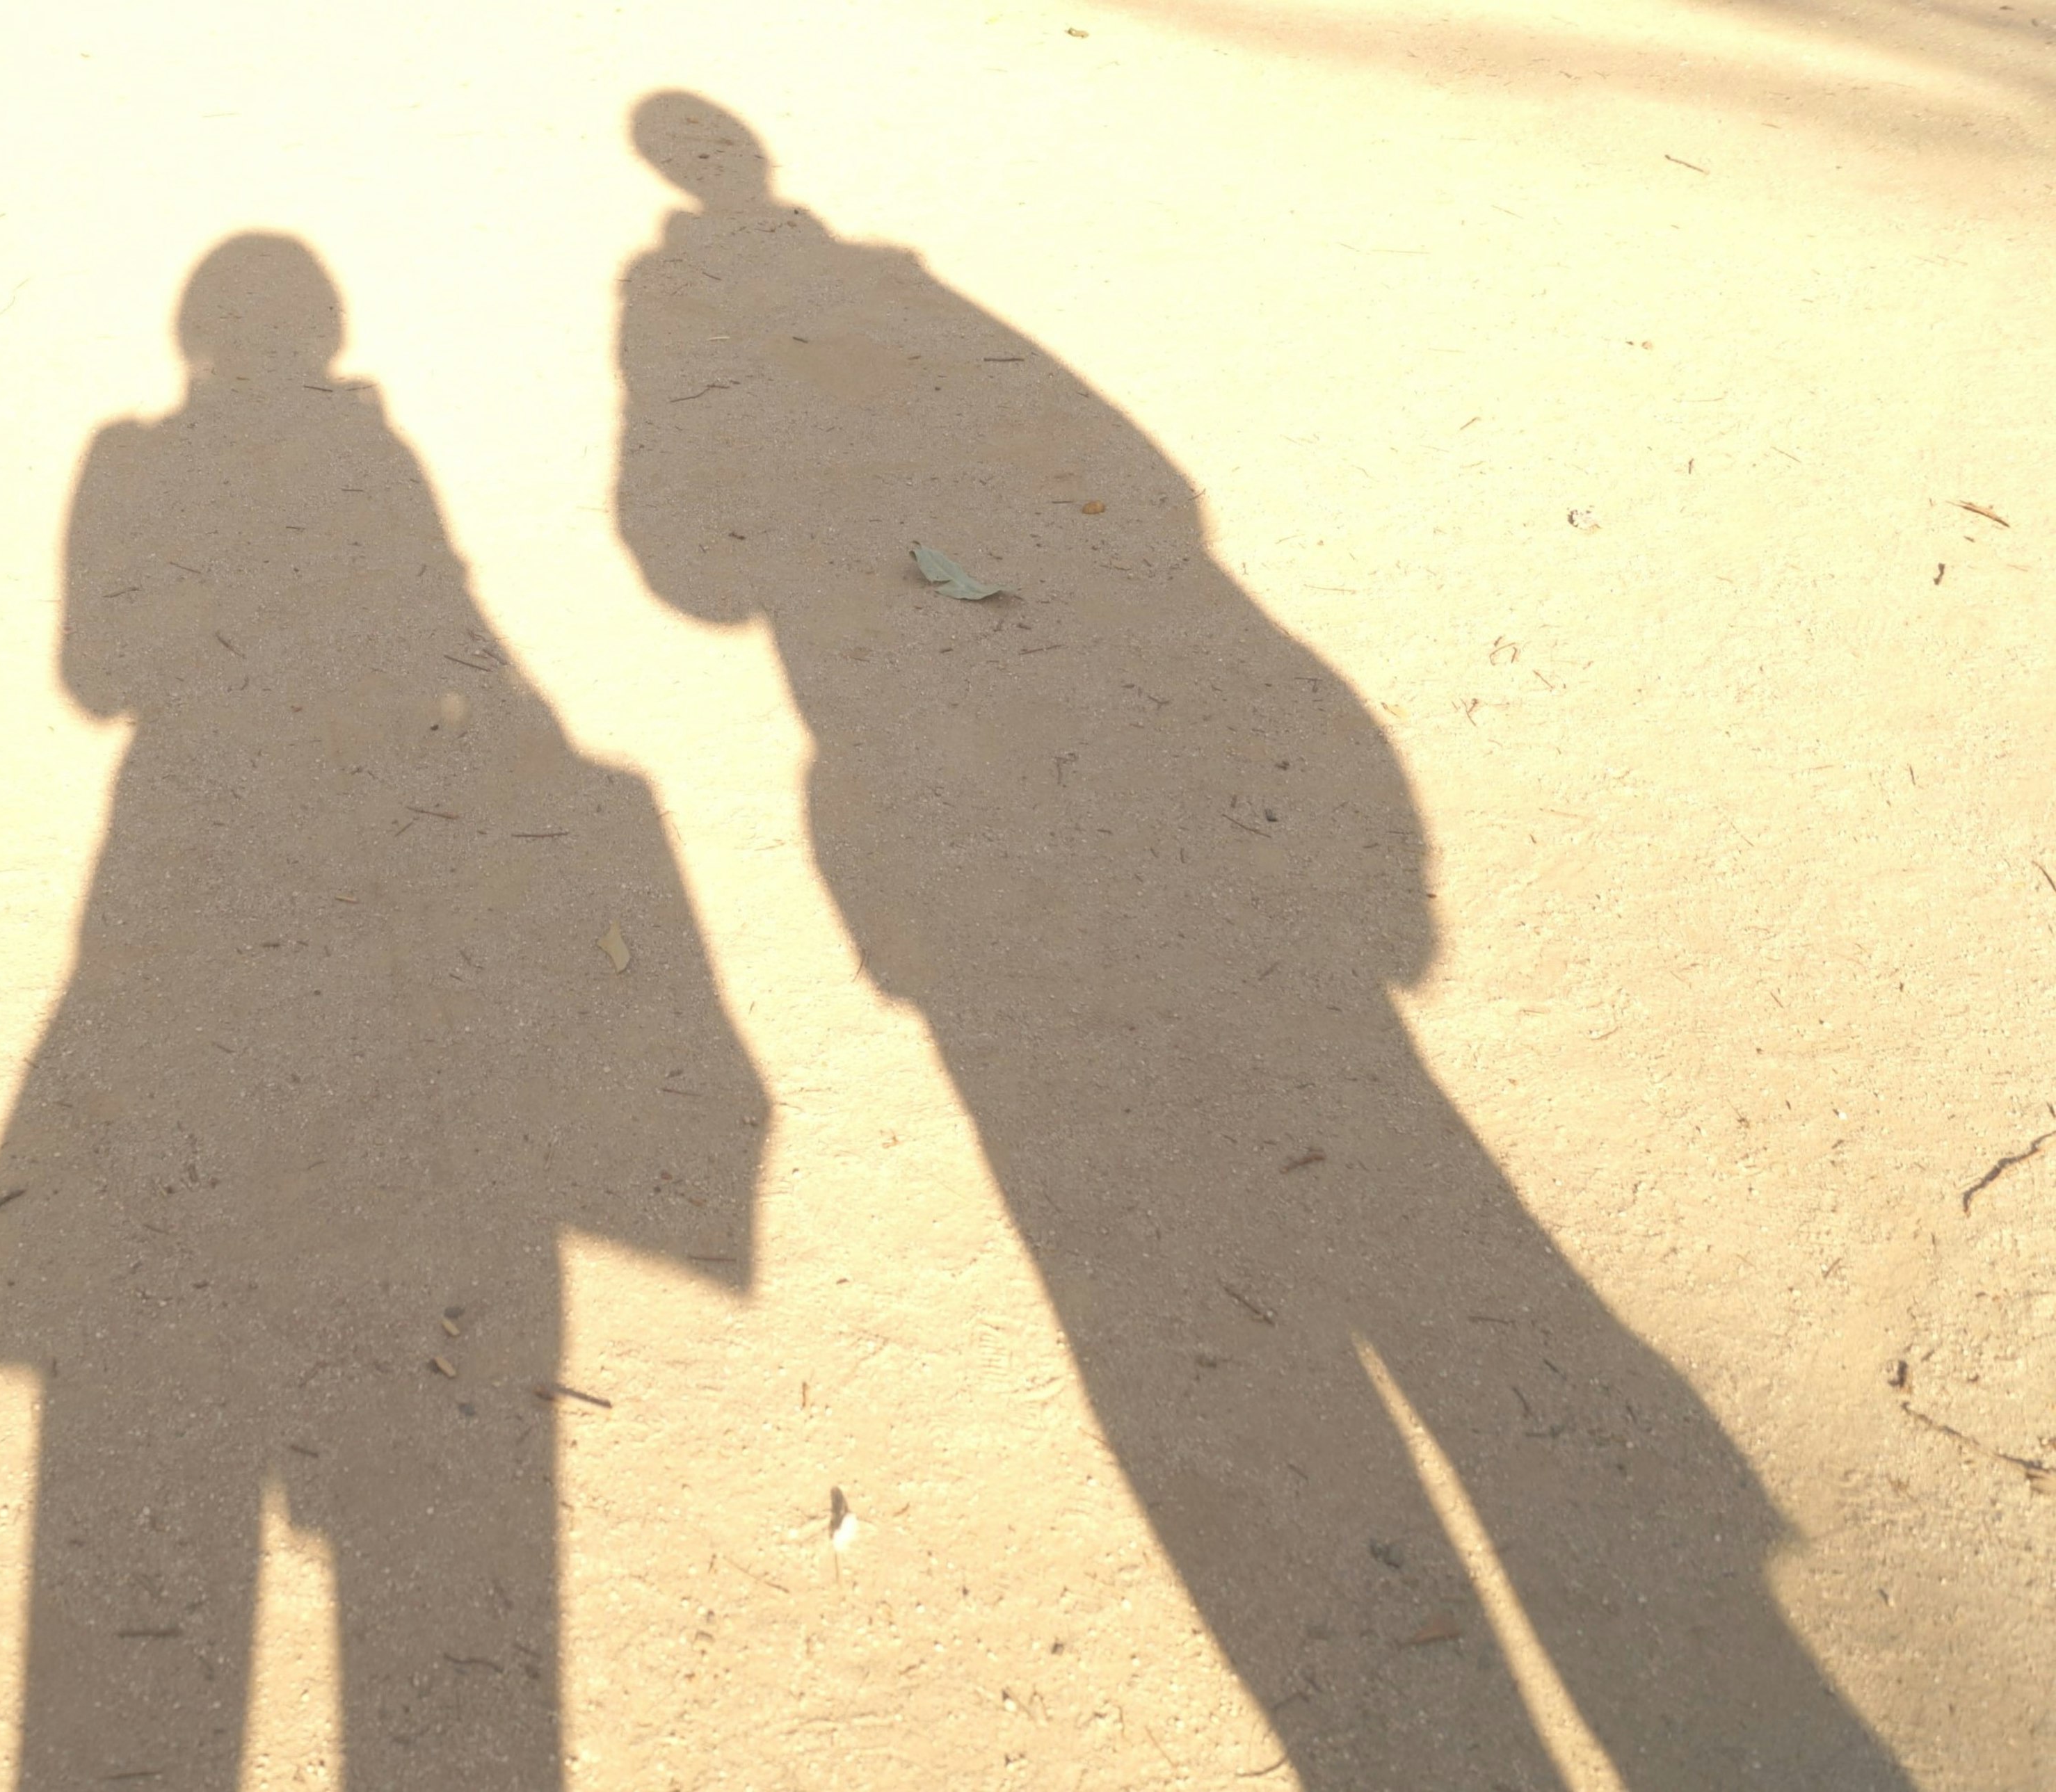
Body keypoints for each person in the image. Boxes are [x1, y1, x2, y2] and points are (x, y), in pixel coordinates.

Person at [614, 92, 1907, 1789]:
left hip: (956, 878)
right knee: (1462, 1246)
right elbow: (1159, 495)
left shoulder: (673, 310)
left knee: (1165, 1297)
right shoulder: (910, 293)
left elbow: (683, 570)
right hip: (1220, 915)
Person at [0, 232, 764, 1791]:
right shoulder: (370, 450)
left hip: (171, 887)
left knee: (146, 1445)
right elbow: (441, 630)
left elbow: (93, 675)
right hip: (295, 913)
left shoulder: (143, 458)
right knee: (449, 1555)